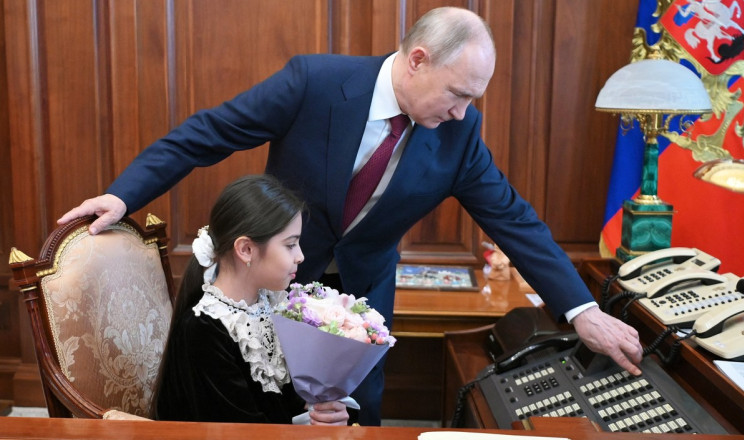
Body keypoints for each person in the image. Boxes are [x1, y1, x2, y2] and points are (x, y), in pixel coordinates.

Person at [59, 6, 642, 426]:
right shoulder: (314, 82)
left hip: (360, 304)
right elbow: (209, 133)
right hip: (271, 286)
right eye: (458, 93)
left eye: (474, 99)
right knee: (263, 415)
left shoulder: (459, 135)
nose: (464, 112)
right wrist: (124, 196)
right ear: (417, 60)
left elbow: (513, 219)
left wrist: (581, 308)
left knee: (354, 420)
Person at [151, 174, 349, 425]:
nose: (300, 256)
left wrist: (325, 415)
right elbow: (240, 428)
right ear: (245, 249)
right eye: (290, 245)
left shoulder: (272, 304)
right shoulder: (204, 328)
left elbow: (289, 403)